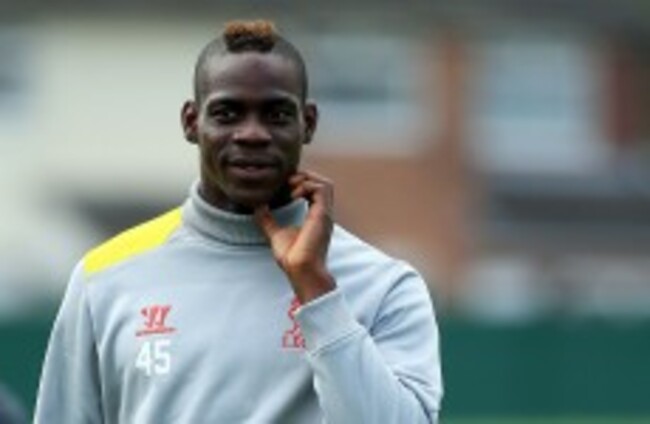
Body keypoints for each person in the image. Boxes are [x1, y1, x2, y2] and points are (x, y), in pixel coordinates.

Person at [34, 20, 443, 423]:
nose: (252, 134)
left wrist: (316, 291)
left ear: (309, 123)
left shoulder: (384, 285)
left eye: (276, 114)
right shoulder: (103, 278)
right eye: (227, 113)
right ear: (191, 122)